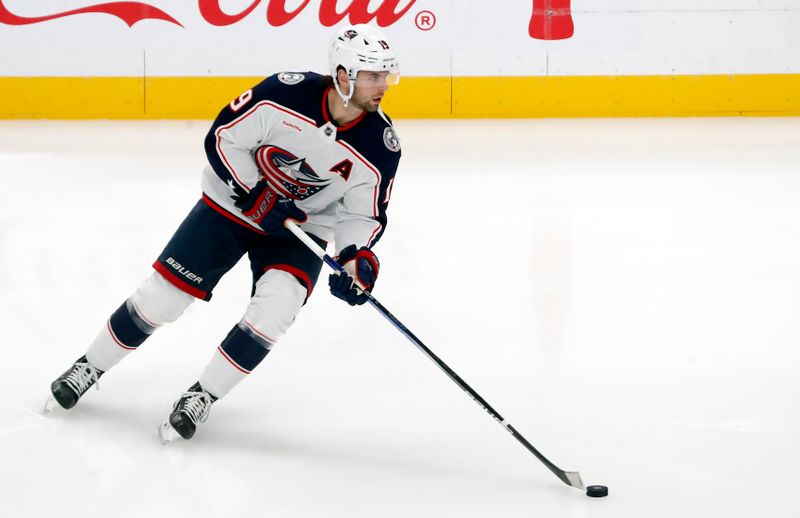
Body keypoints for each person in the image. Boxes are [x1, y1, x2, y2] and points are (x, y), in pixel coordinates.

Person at [44, 23, 402, 443]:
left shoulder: (381, 145)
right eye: (373, 76)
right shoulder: (283, 95)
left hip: (299, 229)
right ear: (343, 75)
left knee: (275, 311)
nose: (383, 86)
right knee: (163, 297)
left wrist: (354, 257)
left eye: (386, 76)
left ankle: (203, 395)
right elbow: (223, 138)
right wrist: (256, 194)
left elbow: (363, 214)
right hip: (231, 206)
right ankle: (91, 365)